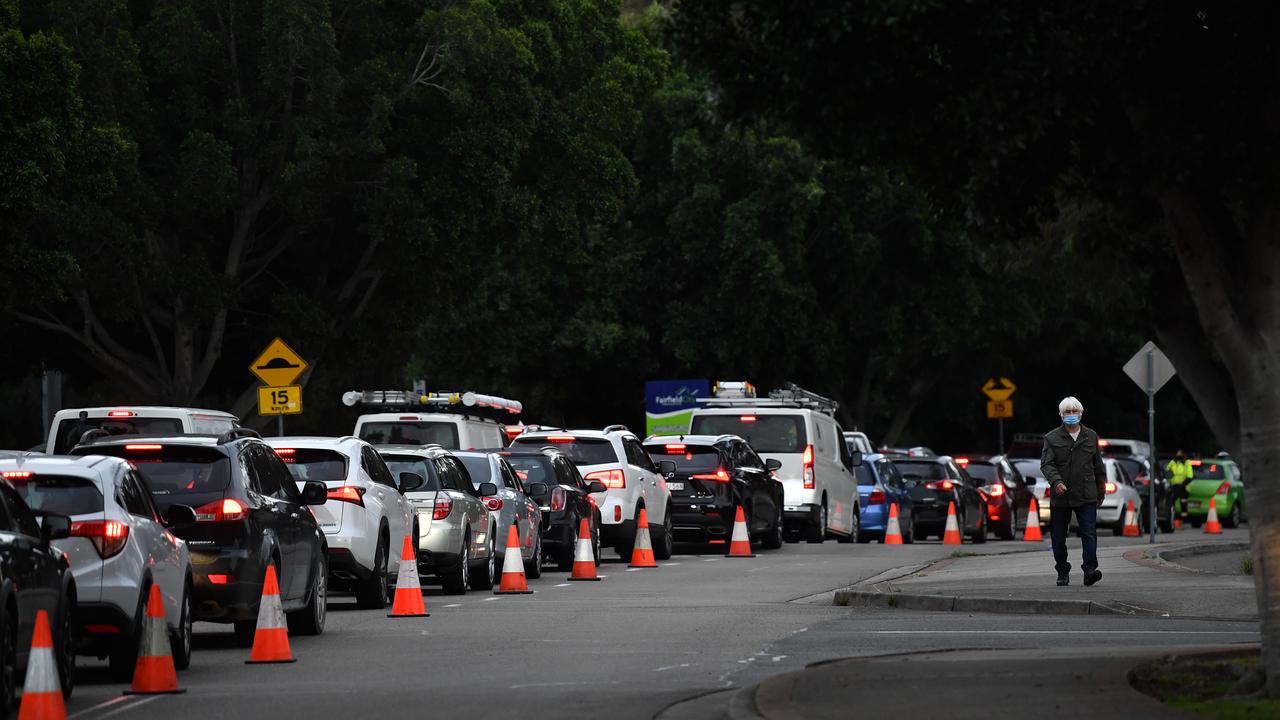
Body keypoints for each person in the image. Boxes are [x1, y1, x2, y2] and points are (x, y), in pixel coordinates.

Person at [1040, 396, 1107, 587]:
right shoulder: (1051, 438)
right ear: (1061, 415)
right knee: (1058, 538)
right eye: (1067, 412)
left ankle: (1090, 570)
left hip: (1086, 493)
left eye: (1074, 411)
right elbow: (1046, 464)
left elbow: (1098, 466)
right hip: (1061, 496)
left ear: (1081, 413)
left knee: (1089, 533)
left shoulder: (1091, 436)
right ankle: (1062, 571)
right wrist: (1056, 482)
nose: (1071, 415)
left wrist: (1100, 491)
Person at [1165, 450, 1194, 521]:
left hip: (1184, 487)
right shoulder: (1172, 462)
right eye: (1177, 455)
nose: (1179, 457)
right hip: (1173, 486)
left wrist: (1182, 484)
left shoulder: (1187, 463)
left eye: (1180, 456)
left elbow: (1189, 476)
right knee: (1171, 501)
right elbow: (1166, 471)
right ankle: (1173, 518)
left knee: (1183, 502)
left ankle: (1183, 520)